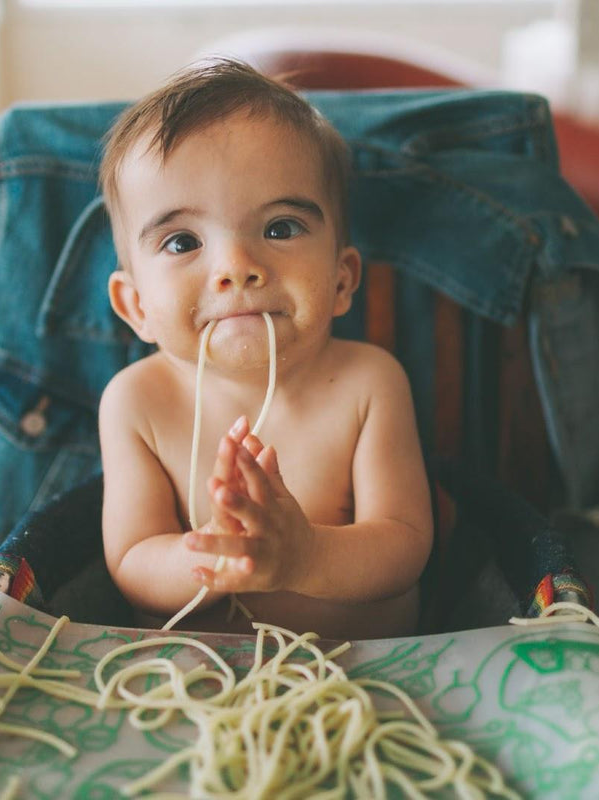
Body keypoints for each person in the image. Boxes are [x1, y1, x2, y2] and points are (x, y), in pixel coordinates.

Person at [96, 59, 432, 640]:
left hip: (362, 677)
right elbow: (131, 563)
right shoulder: (137, 401)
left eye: (280, 228)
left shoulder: (368, 384)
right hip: (199, 685)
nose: (237, 269)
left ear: (342, 280)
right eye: (182, 241)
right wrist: (212, 559)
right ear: (136, 307)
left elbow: (404, 545)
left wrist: (305, 558)